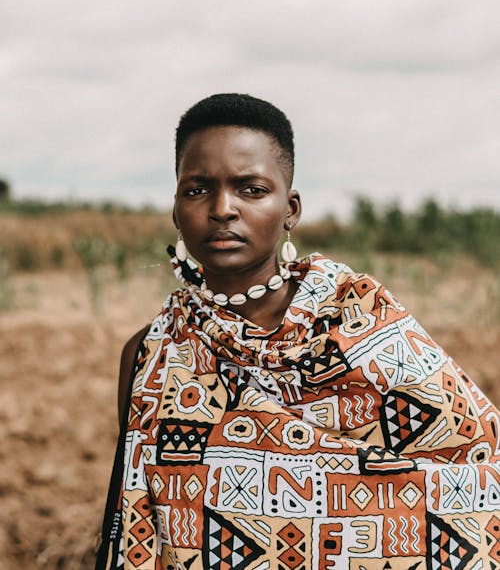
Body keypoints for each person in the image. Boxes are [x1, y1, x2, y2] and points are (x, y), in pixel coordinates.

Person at [96, 93, 499, 570]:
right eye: (198, 189)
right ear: (176, 213)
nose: (223, 208)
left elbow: (476, 467)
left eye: (250, 189)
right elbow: (134, 508)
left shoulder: (363, 328)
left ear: (290, 209)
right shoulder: (151, 355)